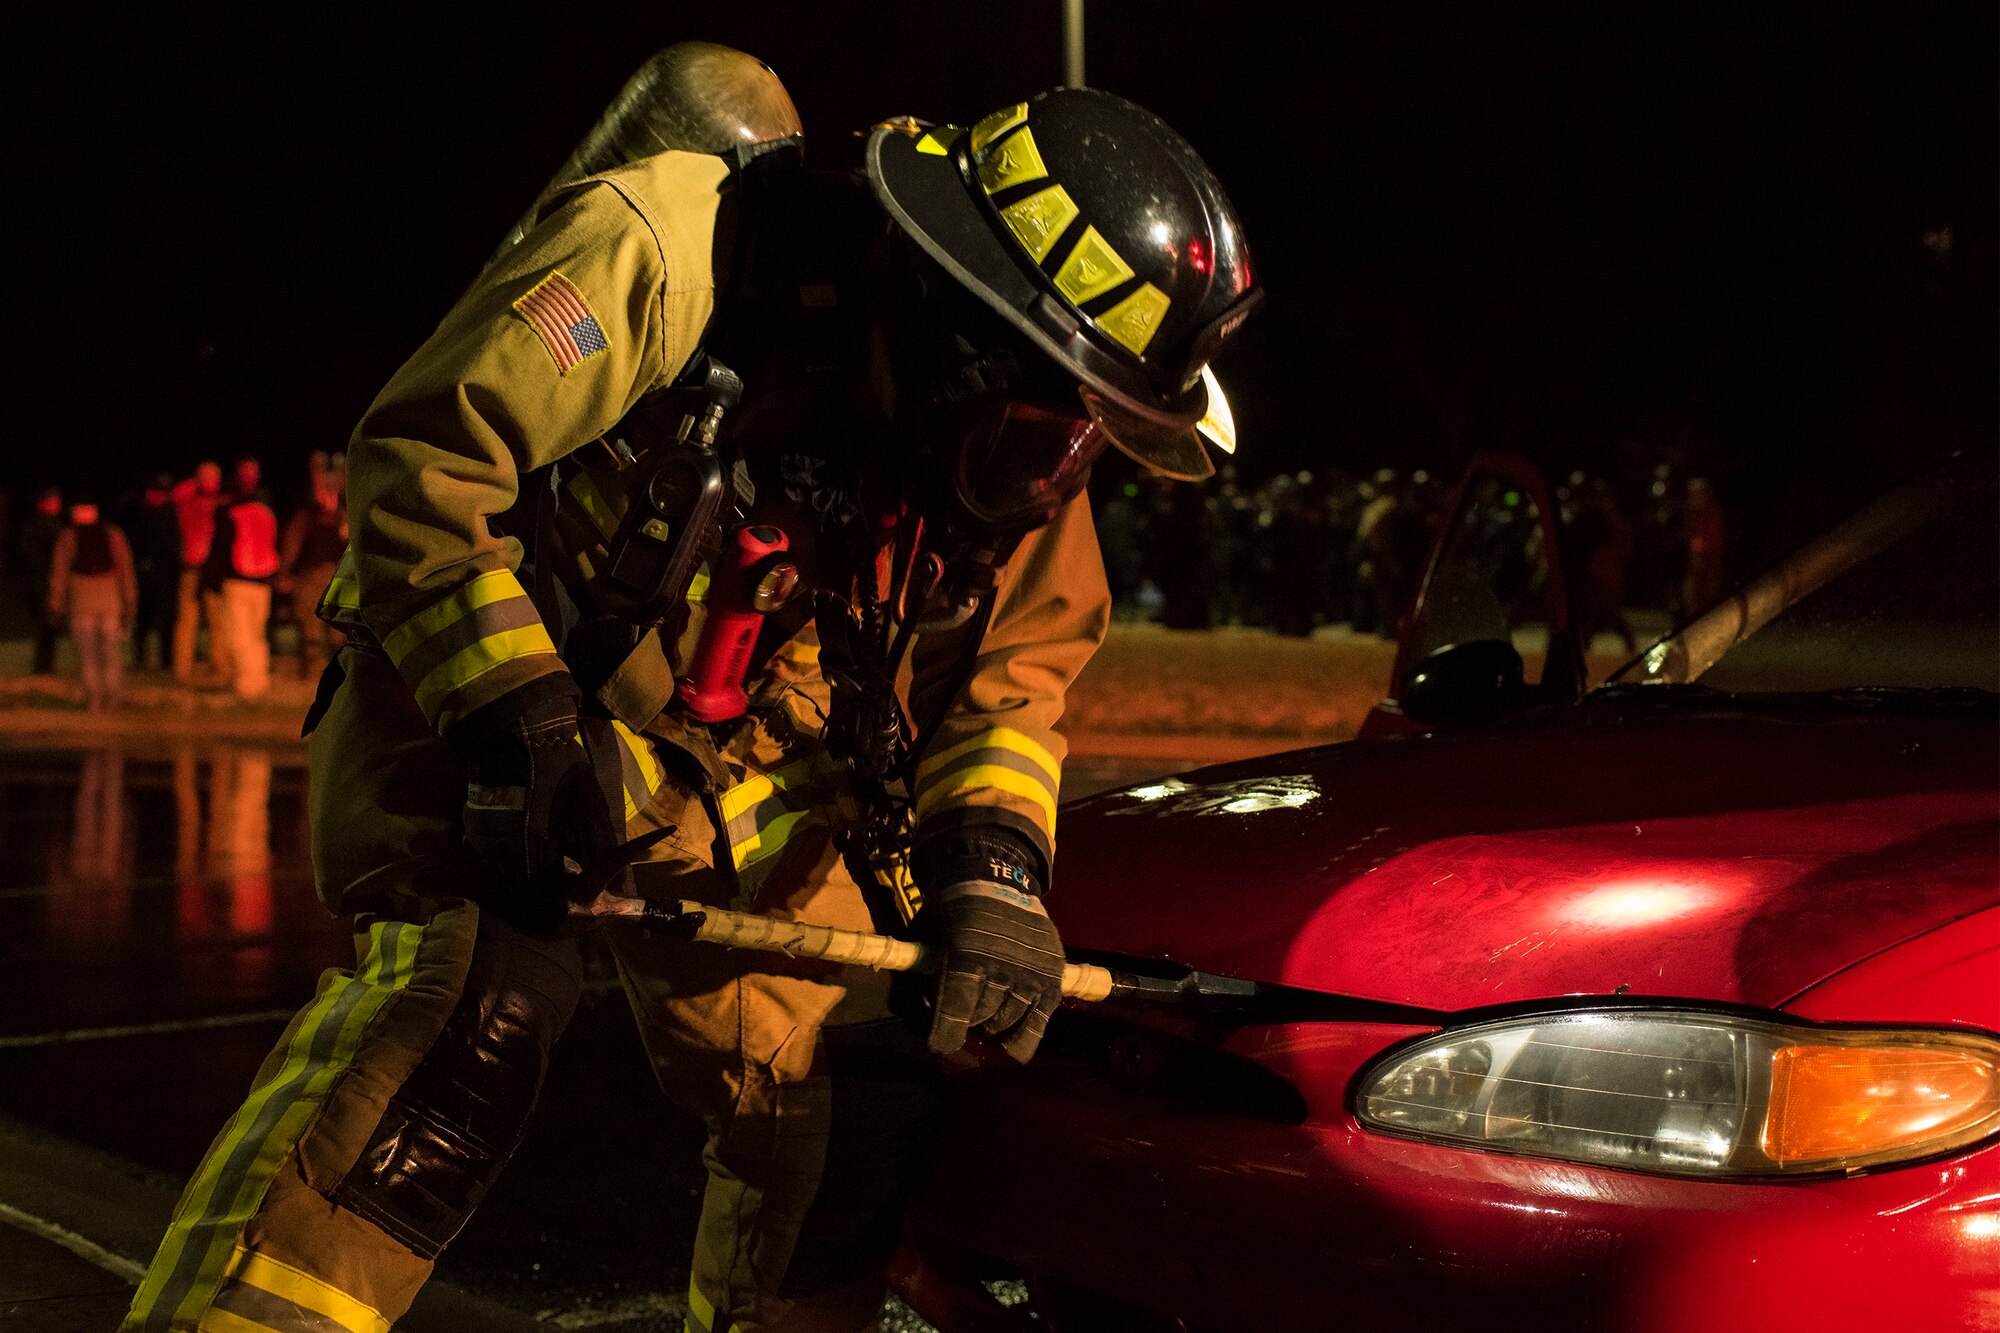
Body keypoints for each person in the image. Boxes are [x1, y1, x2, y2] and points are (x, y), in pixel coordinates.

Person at [123, 44, 1259, 1333]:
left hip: (729, 762)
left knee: (837, 1096)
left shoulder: (1008, 469)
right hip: (496, 677)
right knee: (467, 1020)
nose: (1061, 473)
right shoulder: (670, 252)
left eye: (1088, 439)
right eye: (1057, 429)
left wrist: (993, 879)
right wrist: (517, 720)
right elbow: (425, 466)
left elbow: (1013, 680)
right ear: (961, 337)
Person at [199, 457, 280, 699]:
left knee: (238, 634)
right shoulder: (266, 513)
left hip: (237, 580)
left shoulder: (229, 514)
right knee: (257, 633)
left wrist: (210, 581)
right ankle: (260, 679)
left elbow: (220, 549)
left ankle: (246, 685)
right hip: (263, 582)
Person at [47, 496, 138, 710]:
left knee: (87, 655)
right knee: (111, 651)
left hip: (81, 603)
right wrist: (129, 603)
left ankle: (94, 698)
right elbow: (125, 572)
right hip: (110, 602)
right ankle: (114, 697)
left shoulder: (68, 537)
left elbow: (59, 574)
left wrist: (56, 604)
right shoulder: (113, 535)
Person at [277, 462, 349, 678]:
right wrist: (285, 573)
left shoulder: (345, 516)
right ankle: (308, 673)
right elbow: (292, 544)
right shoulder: (306, 516)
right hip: (310, 577)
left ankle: (338, 674)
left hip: (337, 577)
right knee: (309, 629)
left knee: (338, 632)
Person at [171, 461, 228, 682]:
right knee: (187, 619)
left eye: (213, 476)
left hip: (212, 569)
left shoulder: (220, 503)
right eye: (205, 475)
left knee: (217, 621)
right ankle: (182, 670)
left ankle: (220, 668)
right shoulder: (188, 497)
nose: (209, 480)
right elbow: (176, 494)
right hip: (192, 566)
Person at [127, 473, 184, 671]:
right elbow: (133, 544)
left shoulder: (171, 513)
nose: (158, 496)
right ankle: (140, 658)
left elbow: (175, 544)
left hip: (166, 575)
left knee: (167, 620)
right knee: (142, 620)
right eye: (155, 492)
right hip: (143, 574)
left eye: (162, 492)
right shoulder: (139, 514)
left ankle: (166, 660)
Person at [18, 487, 66, 674]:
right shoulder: (35, 527)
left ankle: (46, 664)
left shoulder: (57, 525)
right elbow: (29, 557)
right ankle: (42, 665)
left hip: (51, 582)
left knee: (51, 627)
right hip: (40, 583)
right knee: (44, 626)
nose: (54, 505)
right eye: (50, 501)